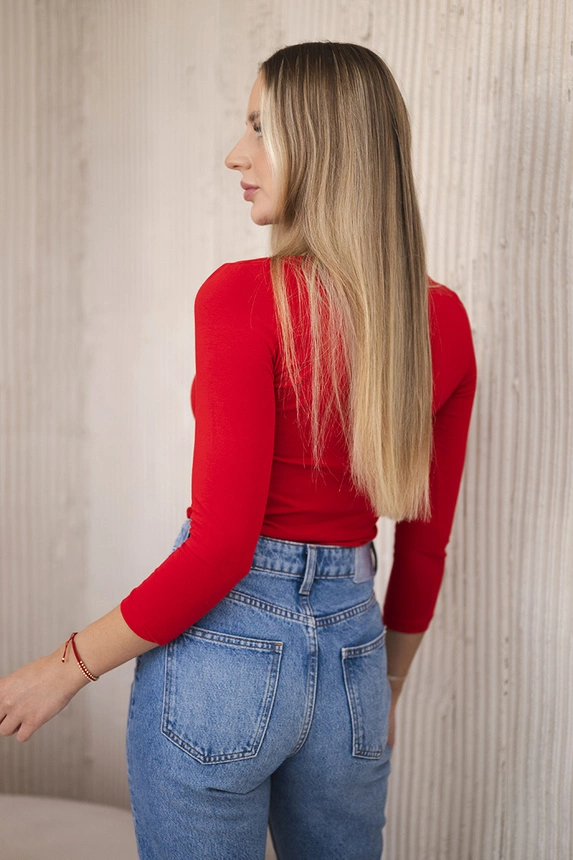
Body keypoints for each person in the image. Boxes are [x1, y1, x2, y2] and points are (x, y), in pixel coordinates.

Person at [0, 41, 477, 860]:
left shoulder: (241, 299)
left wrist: (66, 665)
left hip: (227, 655)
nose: (235, 154)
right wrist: (384, 686)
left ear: (322, 149)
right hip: (356, 661)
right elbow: (425, 547)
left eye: (261, 127)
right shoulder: (442, 321)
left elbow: (221, 550)